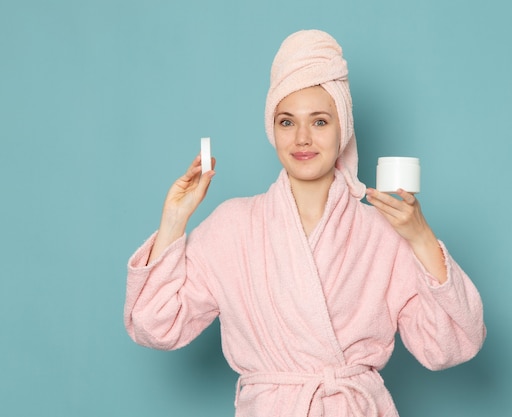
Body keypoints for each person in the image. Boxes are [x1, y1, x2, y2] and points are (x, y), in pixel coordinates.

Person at [124, 29, 486, 417]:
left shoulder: (382, 233)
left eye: (319, 122)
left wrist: (421, 239)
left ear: (342, 128)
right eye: (286, 122)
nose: (302, 138)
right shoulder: (233, 226)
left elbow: (450, 345)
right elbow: (154, 325)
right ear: (272, 129)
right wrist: (174, 220)